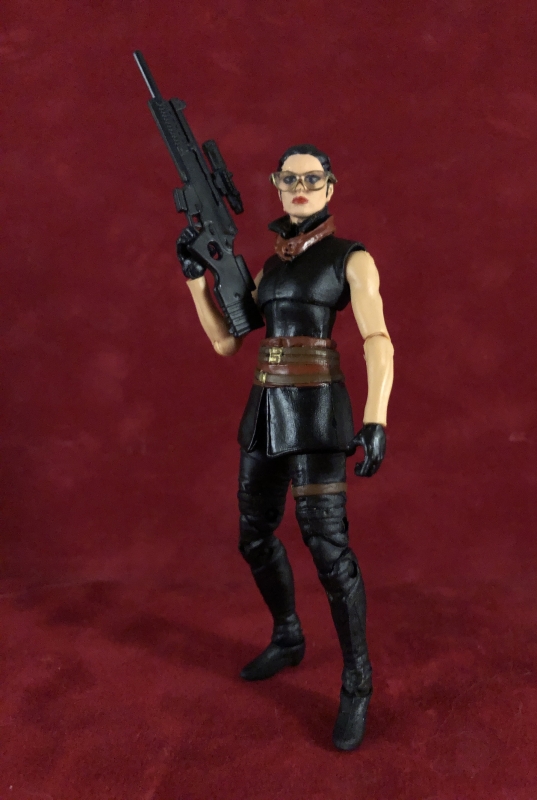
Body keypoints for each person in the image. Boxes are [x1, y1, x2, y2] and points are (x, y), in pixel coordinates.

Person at [178, 144, 394, 750]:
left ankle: (358, 681)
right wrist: (196, 281)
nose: (300, 186)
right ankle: (288, 634)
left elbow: (378, 338)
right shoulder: (270, 270)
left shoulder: (350, 258)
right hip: (265, 413)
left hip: (319, 414)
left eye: (312, 178)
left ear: (330, 186)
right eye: (289, 178)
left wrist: (376, 416)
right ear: (276, 186)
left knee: (328, 549)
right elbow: (228, 343)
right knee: (254, 534)